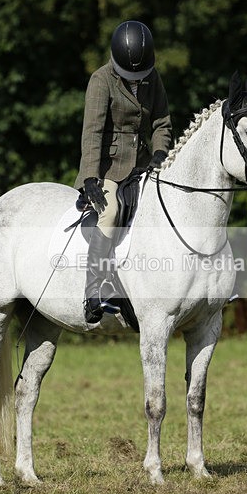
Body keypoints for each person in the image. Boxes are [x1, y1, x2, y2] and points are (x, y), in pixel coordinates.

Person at [75, 20, 173, 324]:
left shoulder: (152, 78)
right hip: (107, 168)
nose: (137, 78)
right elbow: (92, 132)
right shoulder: (101, 79)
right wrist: (90, 175)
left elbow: (161, 123)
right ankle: (95, 291)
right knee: (111, 212)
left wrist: (160, 152)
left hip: (144, 164)